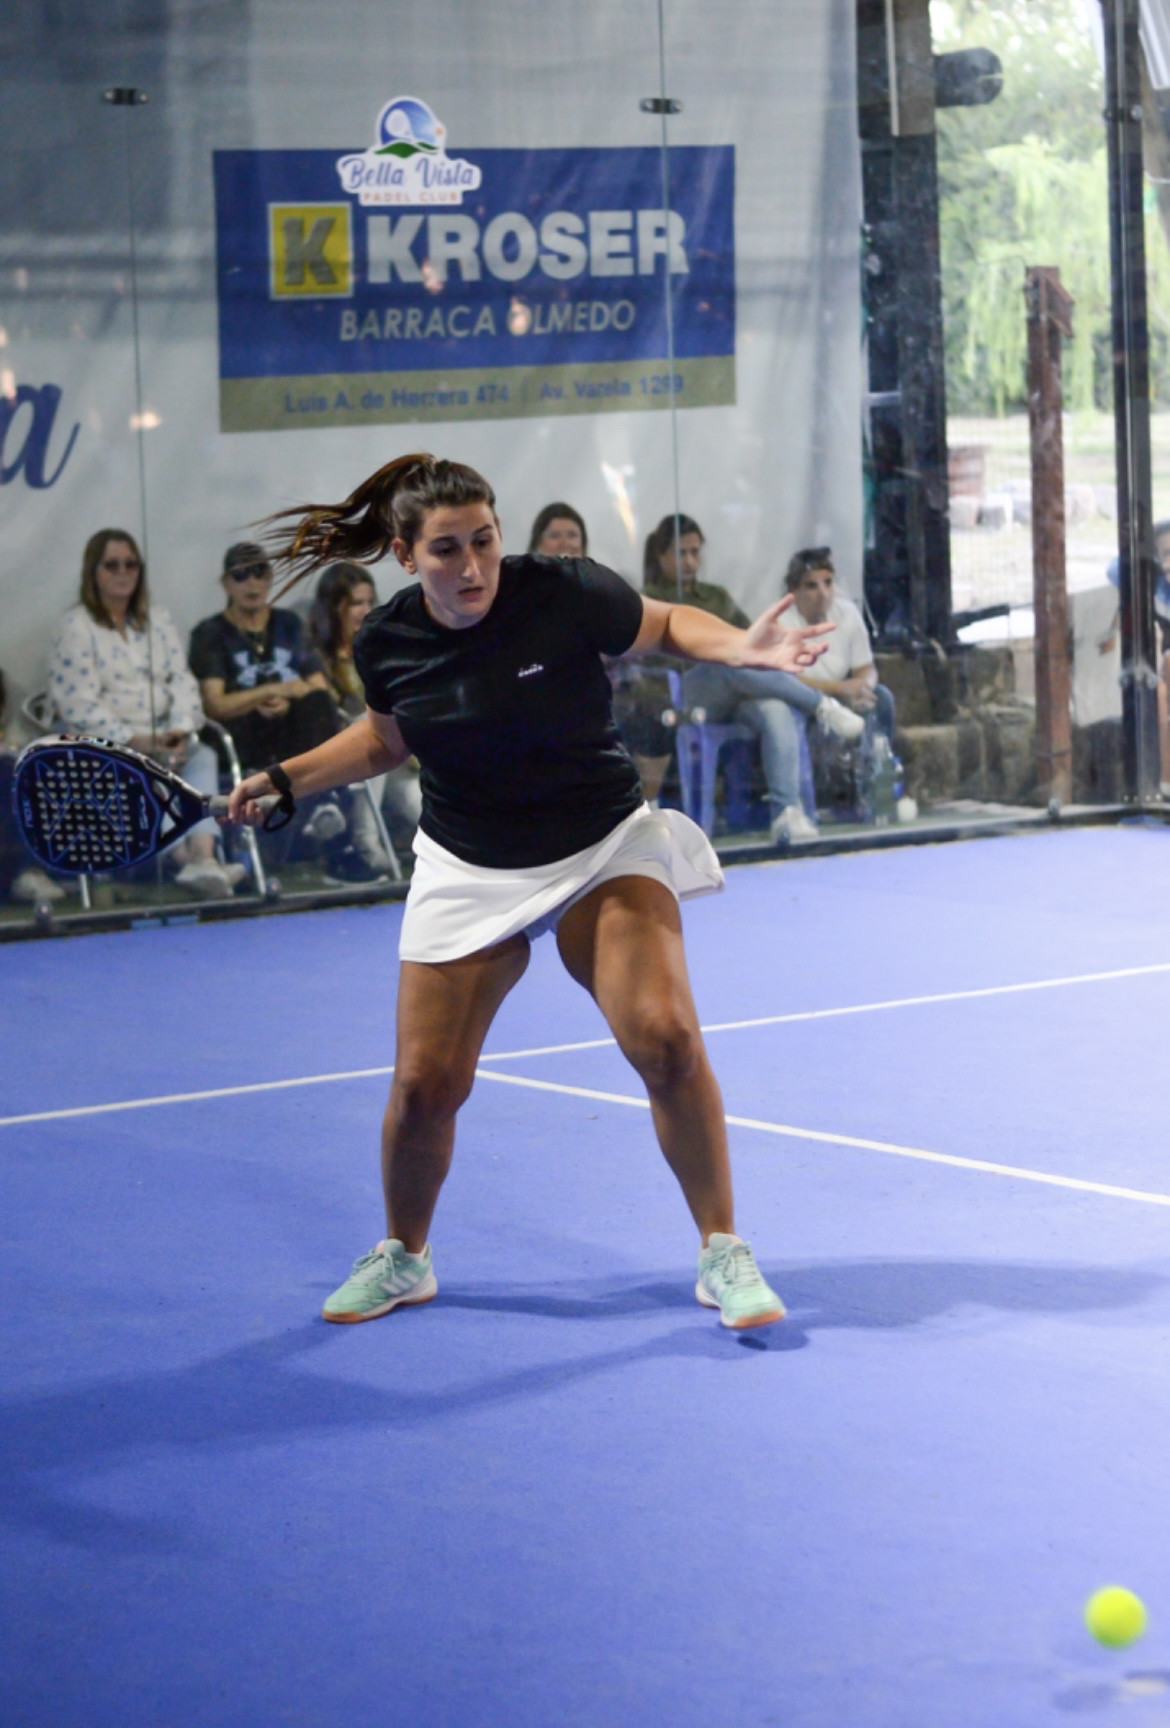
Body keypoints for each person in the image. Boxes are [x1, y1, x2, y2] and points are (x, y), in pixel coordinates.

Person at [229, 453, 833, 1331]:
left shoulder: (561, 590)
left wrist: (739, 645)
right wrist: (287, 777)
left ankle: (722, 1250)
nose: (471, 565)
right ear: (406, 555)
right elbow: (386, 742)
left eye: (484, 540)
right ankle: (405, 1255)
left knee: (665, 1037)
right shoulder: (389, 641)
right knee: (425, 1086)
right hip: (470, 860)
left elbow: (665, 621)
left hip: (600, 843)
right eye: (446, 549)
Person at [642, 515, 865, 844]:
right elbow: (648, 663)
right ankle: (822, 706)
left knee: (774, 707)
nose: (690, 561)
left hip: (737, 691)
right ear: (661, 555)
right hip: (688, 694)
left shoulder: (716, 596)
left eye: (695, 552)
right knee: (726, 660)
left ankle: (786, 813)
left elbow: (751, 642)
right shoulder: (648, 598)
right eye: (681, 553)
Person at [48, 528, 244, 897]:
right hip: (112, 747)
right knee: (145, 769)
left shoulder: (156, 619)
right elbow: (78, 705)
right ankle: (190, 862)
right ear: (93, 572)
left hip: (166, 741)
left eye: (131, 564)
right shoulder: (75, 627)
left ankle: (202, 857)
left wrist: (178, 733)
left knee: (203, 754)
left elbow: (183, 683)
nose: (123, 572)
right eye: (112, 565)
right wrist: (138, 743)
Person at [189, 542, 384, 884]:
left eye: (259, 572)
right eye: (241, 575)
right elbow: (215, 705)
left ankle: (325, 808)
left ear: (270, 578)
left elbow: (318, 686)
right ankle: (332, 825)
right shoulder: (211, 633)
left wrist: (289, 700)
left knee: (319, 704)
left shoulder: (289, 624)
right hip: (241, 735)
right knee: (314, 717)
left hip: (292, 732)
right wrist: (273, 691)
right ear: (226, 583)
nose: (252, 582)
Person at [308, 560, 420, 859]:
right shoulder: (316, 655)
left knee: (421, 808)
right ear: (334, 608)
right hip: (347, 748)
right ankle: (366, 844)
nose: (365, 610)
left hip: (399, 753)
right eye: (356, 603)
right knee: (369, 729)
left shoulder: (382, 647)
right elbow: (326, 710)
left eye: (370, 602)